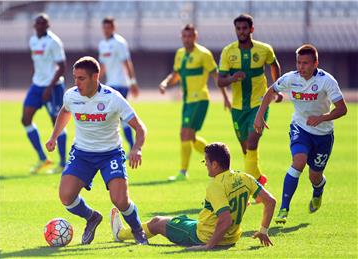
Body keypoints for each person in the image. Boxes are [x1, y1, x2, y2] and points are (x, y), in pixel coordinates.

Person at [45, 56, 148, 245]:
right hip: (82, 154)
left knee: (120, 201)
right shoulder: (71, 95)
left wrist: (137, 148)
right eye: (75, 78)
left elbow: (140, 127)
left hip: (110, 154)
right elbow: (66, 111)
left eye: (81, 78)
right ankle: (92, 217)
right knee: (66, 197)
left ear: (96, 76)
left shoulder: (113, 98)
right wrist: (54, 136)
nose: (77, 83)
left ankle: (137, 229)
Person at [110, 142, 276, 249]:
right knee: (182, 218)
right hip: (230, 237)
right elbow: (270, 201)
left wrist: (208, 246)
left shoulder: (216, 185)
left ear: (216, 164)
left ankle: (121, 235)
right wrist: (263, 230)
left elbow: (225, 220)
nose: (206, 166)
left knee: (156, 222)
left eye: (206, 162)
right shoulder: (245, 177)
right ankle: (126, 232)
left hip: (203, 236)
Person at [254, 44, 347, 224]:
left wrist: (322, 118)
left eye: (305, 63)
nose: (301, 67)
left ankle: (318, 189)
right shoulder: (290, 78)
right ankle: (284, 208)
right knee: (299, 161)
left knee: (315, 176)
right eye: (298, 62)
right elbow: (270, 91)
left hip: (323, 134)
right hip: (300, 128)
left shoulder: (327, 81)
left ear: (315, 63)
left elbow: (342, 109)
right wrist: (259, 116)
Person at [159, 24, 230, 181]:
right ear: (181, 37)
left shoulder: (203, 54)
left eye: (190, 36)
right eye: (184, 36)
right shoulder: (180, 54)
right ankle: (216, 156)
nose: (187, 39)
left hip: (200, 99)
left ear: (195, 37)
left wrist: (225, 97)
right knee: (189, 137)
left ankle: (183, 173)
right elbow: (176, 74)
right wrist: (165, 83)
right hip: (187, 101)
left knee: (185, 134)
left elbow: (215, 76)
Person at [218, 14, 282, 186]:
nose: (241, 32)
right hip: (238, 107)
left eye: (245, 28)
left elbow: (274, 65)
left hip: (259, 103)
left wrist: (277, 88)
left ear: (251, 29)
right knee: (246, 148)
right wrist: (232, 78)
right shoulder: (228, 52)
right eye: (238, 29)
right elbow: (219, 80)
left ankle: (249, 187)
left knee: (253, 140)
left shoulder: (264, 49)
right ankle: (258, 178)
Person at [22, 13, 67, 174]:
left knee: (57, 123)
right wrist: (36, 80)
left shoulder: (54, 42)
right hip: (37, 85)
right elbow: (37, 63)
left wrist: (49, 86)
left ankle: (63, 163)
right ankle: (42, 158)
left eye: (43, 23)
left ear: (48, 26)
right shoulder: (33, 41)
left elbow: (62, 66)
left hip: (53, 87)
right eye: (38, 23)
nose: (40, 26)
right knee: (25, 119)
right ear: (34, 26)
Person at [98, 17, 139, 151]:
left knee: (119, 115)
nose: (106, 30)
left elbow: (127, 62)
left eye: (109, 27)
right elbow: (103, 65)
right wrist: (95, 80)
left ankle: (130, 145)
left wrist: (132, 82)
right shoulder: (102, 44)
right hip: (110, 84)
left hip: (121, 84)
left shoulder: (119, 42)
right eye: (104, 27)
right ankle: (119, 145)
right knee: (112, 116)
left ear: (113, 28)